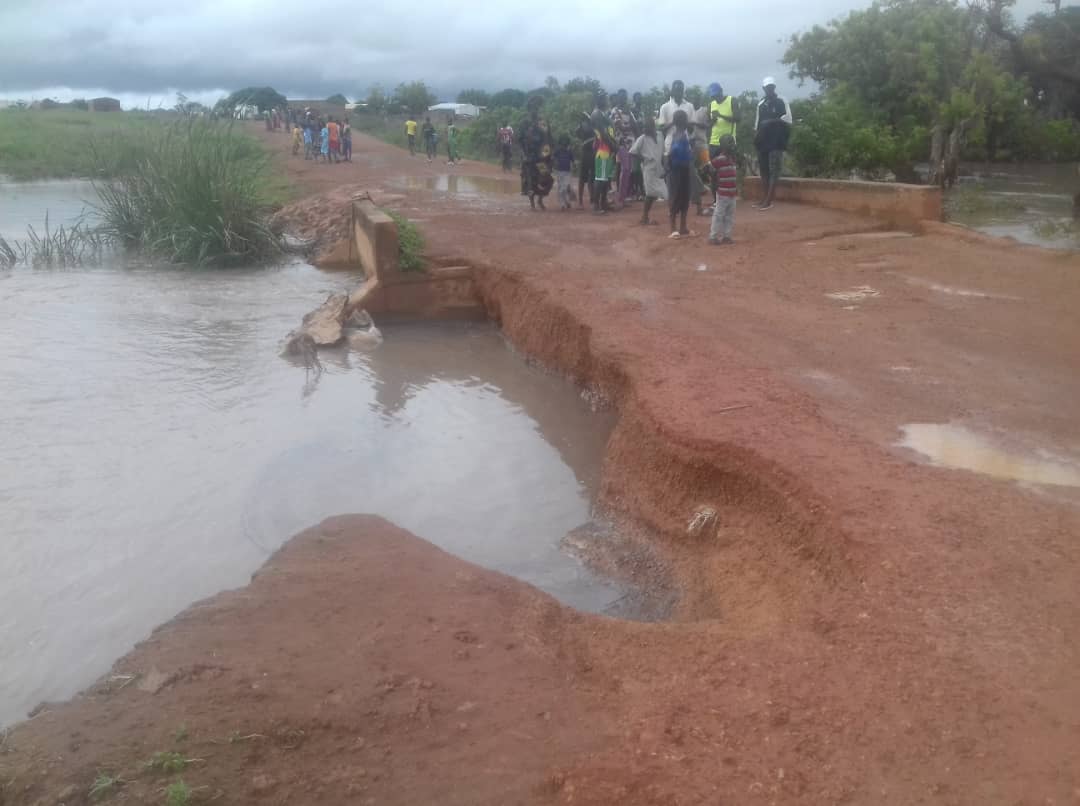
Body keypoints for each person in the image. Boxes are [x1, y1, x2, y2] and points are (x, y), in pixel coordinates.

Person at [754, 77, 792, 211]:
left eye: (771, 87)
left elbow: (788, 119)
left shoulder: (782, 100)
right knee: (764, 170)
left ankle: (769, 201)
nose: (769, 89)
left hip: (776, 140)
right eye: (767, 87)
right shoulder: (761, 104)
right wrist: (756, 137)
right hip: (763, 141)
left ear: (774, 87)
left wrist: (770, 121)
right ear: (764, 89)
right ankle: (765, 198)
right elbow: (757, 123)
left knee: (774, 171)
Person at [519, 95, 554, 210]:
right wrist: (523, 155)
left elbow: (548, 139)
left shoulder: (542, 122)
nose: (535, 109)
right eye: (533, 107)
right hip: (529, 157)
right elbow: (520, 141)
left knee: (547, 179)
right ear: (529, 108)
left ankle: (540, 200)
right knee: (530, 181)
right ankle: (532, 203)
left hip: (541, 158)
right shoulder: (525, 122)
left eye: (537, 107)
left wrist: (548, 156)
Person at [629, 117, 666, 226]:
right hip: (648, 169)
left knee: (661, 193)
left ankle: (645, 217)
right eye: (643, 127)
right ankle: (644, 217)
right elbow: (632, 152)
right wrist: (643, 158)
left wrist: (665, 165)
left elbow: (663, 152)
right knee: (650, 194)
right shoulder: (642, 138)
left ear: (652, 126)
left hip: (659, 168)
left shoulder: (660, 135)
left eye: (646, 126)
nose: (644, 129)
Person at [708, 134, 738, 245]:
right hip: (722, 193)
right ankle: (713, 236)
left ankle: (727, 236)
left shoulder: (733, 158)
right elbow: (709, 169)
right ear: (723, 146)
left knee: (729, 216)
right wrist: (715, 181)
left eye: (733, 142)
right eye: (729, 142)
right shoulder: (719, 159)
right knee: (719, 215)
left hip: (731, 193)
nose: (732, 145)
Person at [667, 110, 693, 238]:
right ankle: (674, 228)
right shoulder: (678, 135)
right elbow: (672, 152)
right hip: (677, 170)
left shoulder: (681, 134)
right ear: (682, 122)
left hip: (683, 168)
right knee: (677, 197)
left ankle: (682, 226)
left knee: (684, 197)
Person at [591, 90, 617, 215]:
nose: (606, 101)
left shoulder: (602, 113)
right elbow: (603, 134)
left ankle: (603, 202)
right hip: (603, 150)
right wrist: (613, 145)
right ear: (599, 100)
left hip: (608, 149)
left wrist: (614, 145)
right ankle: (596, 205)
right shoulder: (596, 114)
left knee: (606, 179)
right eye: (604, 99)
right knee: (600, 178)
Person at [656, 80, 697, 161]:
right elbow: (661, 130)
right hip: (669, 145)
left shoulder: (690, 106)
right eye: (676, 90)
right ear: (672, 91)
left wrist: (684, 122)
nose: (678, 93)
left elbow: (692, 130)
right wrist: (674, 122)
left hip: (685, 145)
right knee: (670, 171)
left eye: (680, 90)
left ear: (683, 91)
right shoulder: (665, 107)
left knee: (685, 171)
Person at [610, 89, 637, 209]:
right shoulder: (615, 111)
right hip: (621, 143)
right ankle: (621, 197)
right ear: (618, 98)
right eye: (621, 97)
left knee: (628, 170)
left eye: (625, 97)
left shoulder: (628, 111)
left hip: (630, 143)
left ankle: (623, 197)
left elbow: (634, 126)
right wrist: (631, 125)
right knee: (625, 169)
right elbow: (621, 127)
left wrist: (630, 125)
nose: (623, 99)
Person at [708, 83, 738, 157]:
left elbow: (737, 118)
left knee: (728, 167)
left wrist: (720, 115)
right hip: (714, 142)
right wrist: (713, 120)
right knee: (713, 167)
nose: (716, 98)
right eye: (713, 96)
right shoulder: (711, 105)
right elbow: (709, 125)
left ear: (721, 91)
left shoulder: (732, 100)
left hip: (728, 143)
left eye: (717, 95)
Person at [575, 112, 595, 210]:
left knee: (587, 178)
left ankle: (584, 200)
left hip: (588, 153)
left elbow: (577, 133)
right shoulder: (589, 125)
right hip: (588, 153)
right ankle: (583, 200)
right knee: (587, 178)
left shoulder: (588, 126)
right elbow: (578, 133)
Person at [553, 134, 576, 210]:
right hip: (559, 171)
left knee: (565, 187)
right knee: (561, 188)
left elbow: (573, 160)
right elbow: (553, 158)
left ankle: (565, 202)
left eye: (565, 142)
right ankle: (563, 204)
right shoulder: (557, 150)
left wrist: (574, 165)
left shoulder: (569, 151)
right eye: (562, 142)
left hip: (567, 172)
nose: (564, 143)